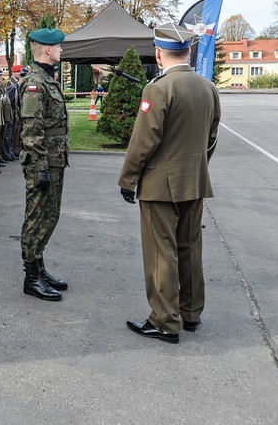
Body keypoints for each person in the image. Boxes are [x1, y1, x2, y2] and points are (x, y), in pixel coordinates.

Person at [119, 23, 221, 344]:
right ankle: (190, 314)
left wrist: (128, 178)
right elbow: (211, 137)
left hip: (160, 185)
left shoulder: (159, 88)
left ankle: (165, 321)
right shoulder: (208, 87)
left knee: (162, 253)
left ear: (158, 53)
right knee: (189, 248)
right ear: (188, 51)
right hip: (195, 181)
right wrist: (195, 166)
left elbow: (144, 141)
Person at [18, 28, 70, 302]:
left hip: (53, 160)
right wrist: (39, 168)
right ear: (47, 50)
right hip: (43, 162)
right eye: (59, 47)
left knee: (50, 216)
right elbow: (31, 130)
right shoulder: (35, 83)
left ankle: (39, 267)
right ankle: (31, 277)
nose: (61, 51)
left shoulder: (46, 79)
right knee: (37, 217)